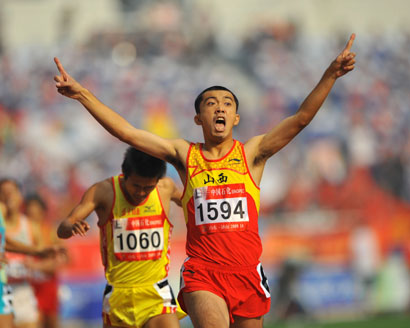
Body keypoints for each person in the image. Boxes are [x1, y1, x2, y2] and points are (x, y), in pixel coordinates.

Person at [53, 33, 356, 328]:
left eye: (227, 103)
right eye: (211, 103)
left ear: (236, 117)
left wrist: (330, 75)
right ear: (199, 118)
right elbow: (128, 133)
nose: (220, 107)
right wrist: (81, 94)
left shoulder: (252, 154)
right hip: (204, 273)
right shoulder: (185, 155)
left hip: (247, 273)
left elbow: (301, 118)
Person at [57, 147, 185, 328]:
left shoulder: (165, 188)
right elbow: (63, 228)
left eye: (148, 187)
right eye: (136, 186)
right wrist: (72, 226)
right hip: (119, 295)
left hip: (156, 291)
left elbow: (194, 203)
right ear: (124, 175)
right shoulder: (103, 192)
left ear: (157, 180)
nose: (141, 193)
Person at [0, 192, 57, 328]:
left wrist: (37, 254)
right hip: (14, 284)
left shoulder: (37, 228)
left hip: (26, 288)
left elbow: (4, 241)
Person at [0, 178, 42, 328]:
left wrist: (36, 265)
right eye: (3, 193)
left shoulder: (31, 227)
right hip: (3, 287)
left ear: (19, 195)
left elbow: (48, 258)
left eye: (10, 193)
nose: (7, 197)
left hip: (22, 290)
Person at [25, 194, 68, 328]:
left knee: (51, 322)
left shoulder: (50, 232)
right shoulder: (23, 232)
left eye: (35, 213)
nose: (32, 217)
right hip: (28, 286)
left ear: (42, 213)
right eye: (29, 213)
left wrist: (37, 266)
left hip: (48, 286)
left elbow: (64, 259)